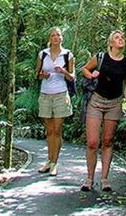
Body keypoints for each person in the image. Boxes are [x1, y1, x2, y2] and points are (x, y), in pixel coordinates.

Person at [80, 30, 126, 191]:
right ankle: (89, 178)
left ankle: (104, 178)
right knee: (92, 142)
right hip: (96, 101)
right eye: (117, 38)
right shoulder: (101, 57)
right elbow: (84, 69)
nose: (120, 39)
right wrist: (91, 75)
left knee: (108, 141)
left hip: (114, 103)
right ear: (111, 43)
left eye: (122, 37)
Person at [36, 27, 75, 176]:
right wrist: (43, 75)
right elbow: (37, 74)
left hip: (61, 94)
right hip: (45, 94)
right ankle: (49, 160)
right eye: (53, 35)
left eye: (58, 35)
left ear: (61, 38)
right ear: (50, 38)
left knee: (57, 130)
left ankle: (55, 163)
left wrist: (63, 71)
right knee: (49, 130)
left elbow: (72, 76)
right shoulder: (43, 54)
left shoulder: (67, 55)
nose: (56, 37)